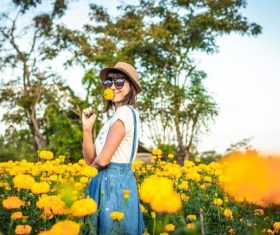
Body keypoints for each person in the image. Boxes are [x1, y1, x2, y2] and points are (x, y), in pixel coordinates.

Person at [82, 62, 145, 235]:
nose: (114, 87)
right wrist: (87, 128)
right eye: (109, 82)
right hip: (104, 181)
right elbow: (90, 159)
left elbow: (102, 160)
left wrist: (84, 176)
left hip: (114, 183)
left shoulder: (125, 112)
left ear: (131, 86)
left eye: (119, 82)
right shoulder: (111, 119)